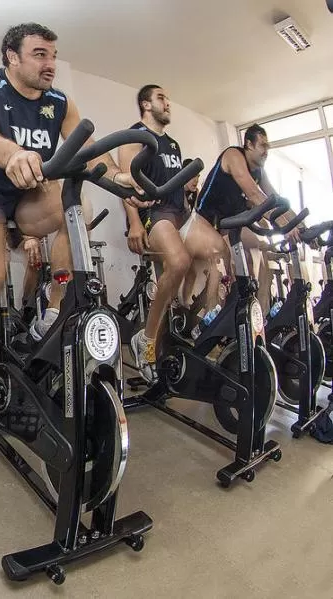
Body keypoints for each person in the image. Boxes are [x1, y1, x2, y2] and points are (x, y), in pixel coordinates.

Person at [0, 22, 142, 441]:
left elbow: (84, 154)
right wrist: (12, 153)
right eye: (39, 54)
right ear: (11, 57)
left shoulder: (59, 101)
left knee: (79, 202)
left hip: (31, 197)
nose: (50, 63)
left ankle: (52, 309)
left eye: (53, 55)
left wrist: (118, 175)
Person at [120, 85, 225, 382]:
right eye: (161, 98)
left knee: (219, 251)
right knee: (178, 262)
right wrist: (135, 224)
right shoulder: (134, 137)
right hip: (155, 213)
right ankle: (148, 338)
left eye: (168, 98)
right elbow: (126, 187)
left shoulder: (175, 146)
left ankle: (197, 318)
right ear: (146, 104)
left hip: (181, 214)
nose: (168, 103)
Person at [196, 124, 303, 313]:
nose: (266, 151)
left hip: (229, 225)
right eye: (262, 146)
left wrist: (301, 225)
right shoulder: (233, 156)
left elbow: (275, 199)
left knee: (257, 253)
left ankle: (257, 318)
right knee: (219, 266)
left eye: (268, 146)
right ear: (249, 144)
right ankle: (210, 327)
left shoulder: (259, 172)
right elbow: (254, 194)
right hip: (204, 222)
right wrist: (284, 226)